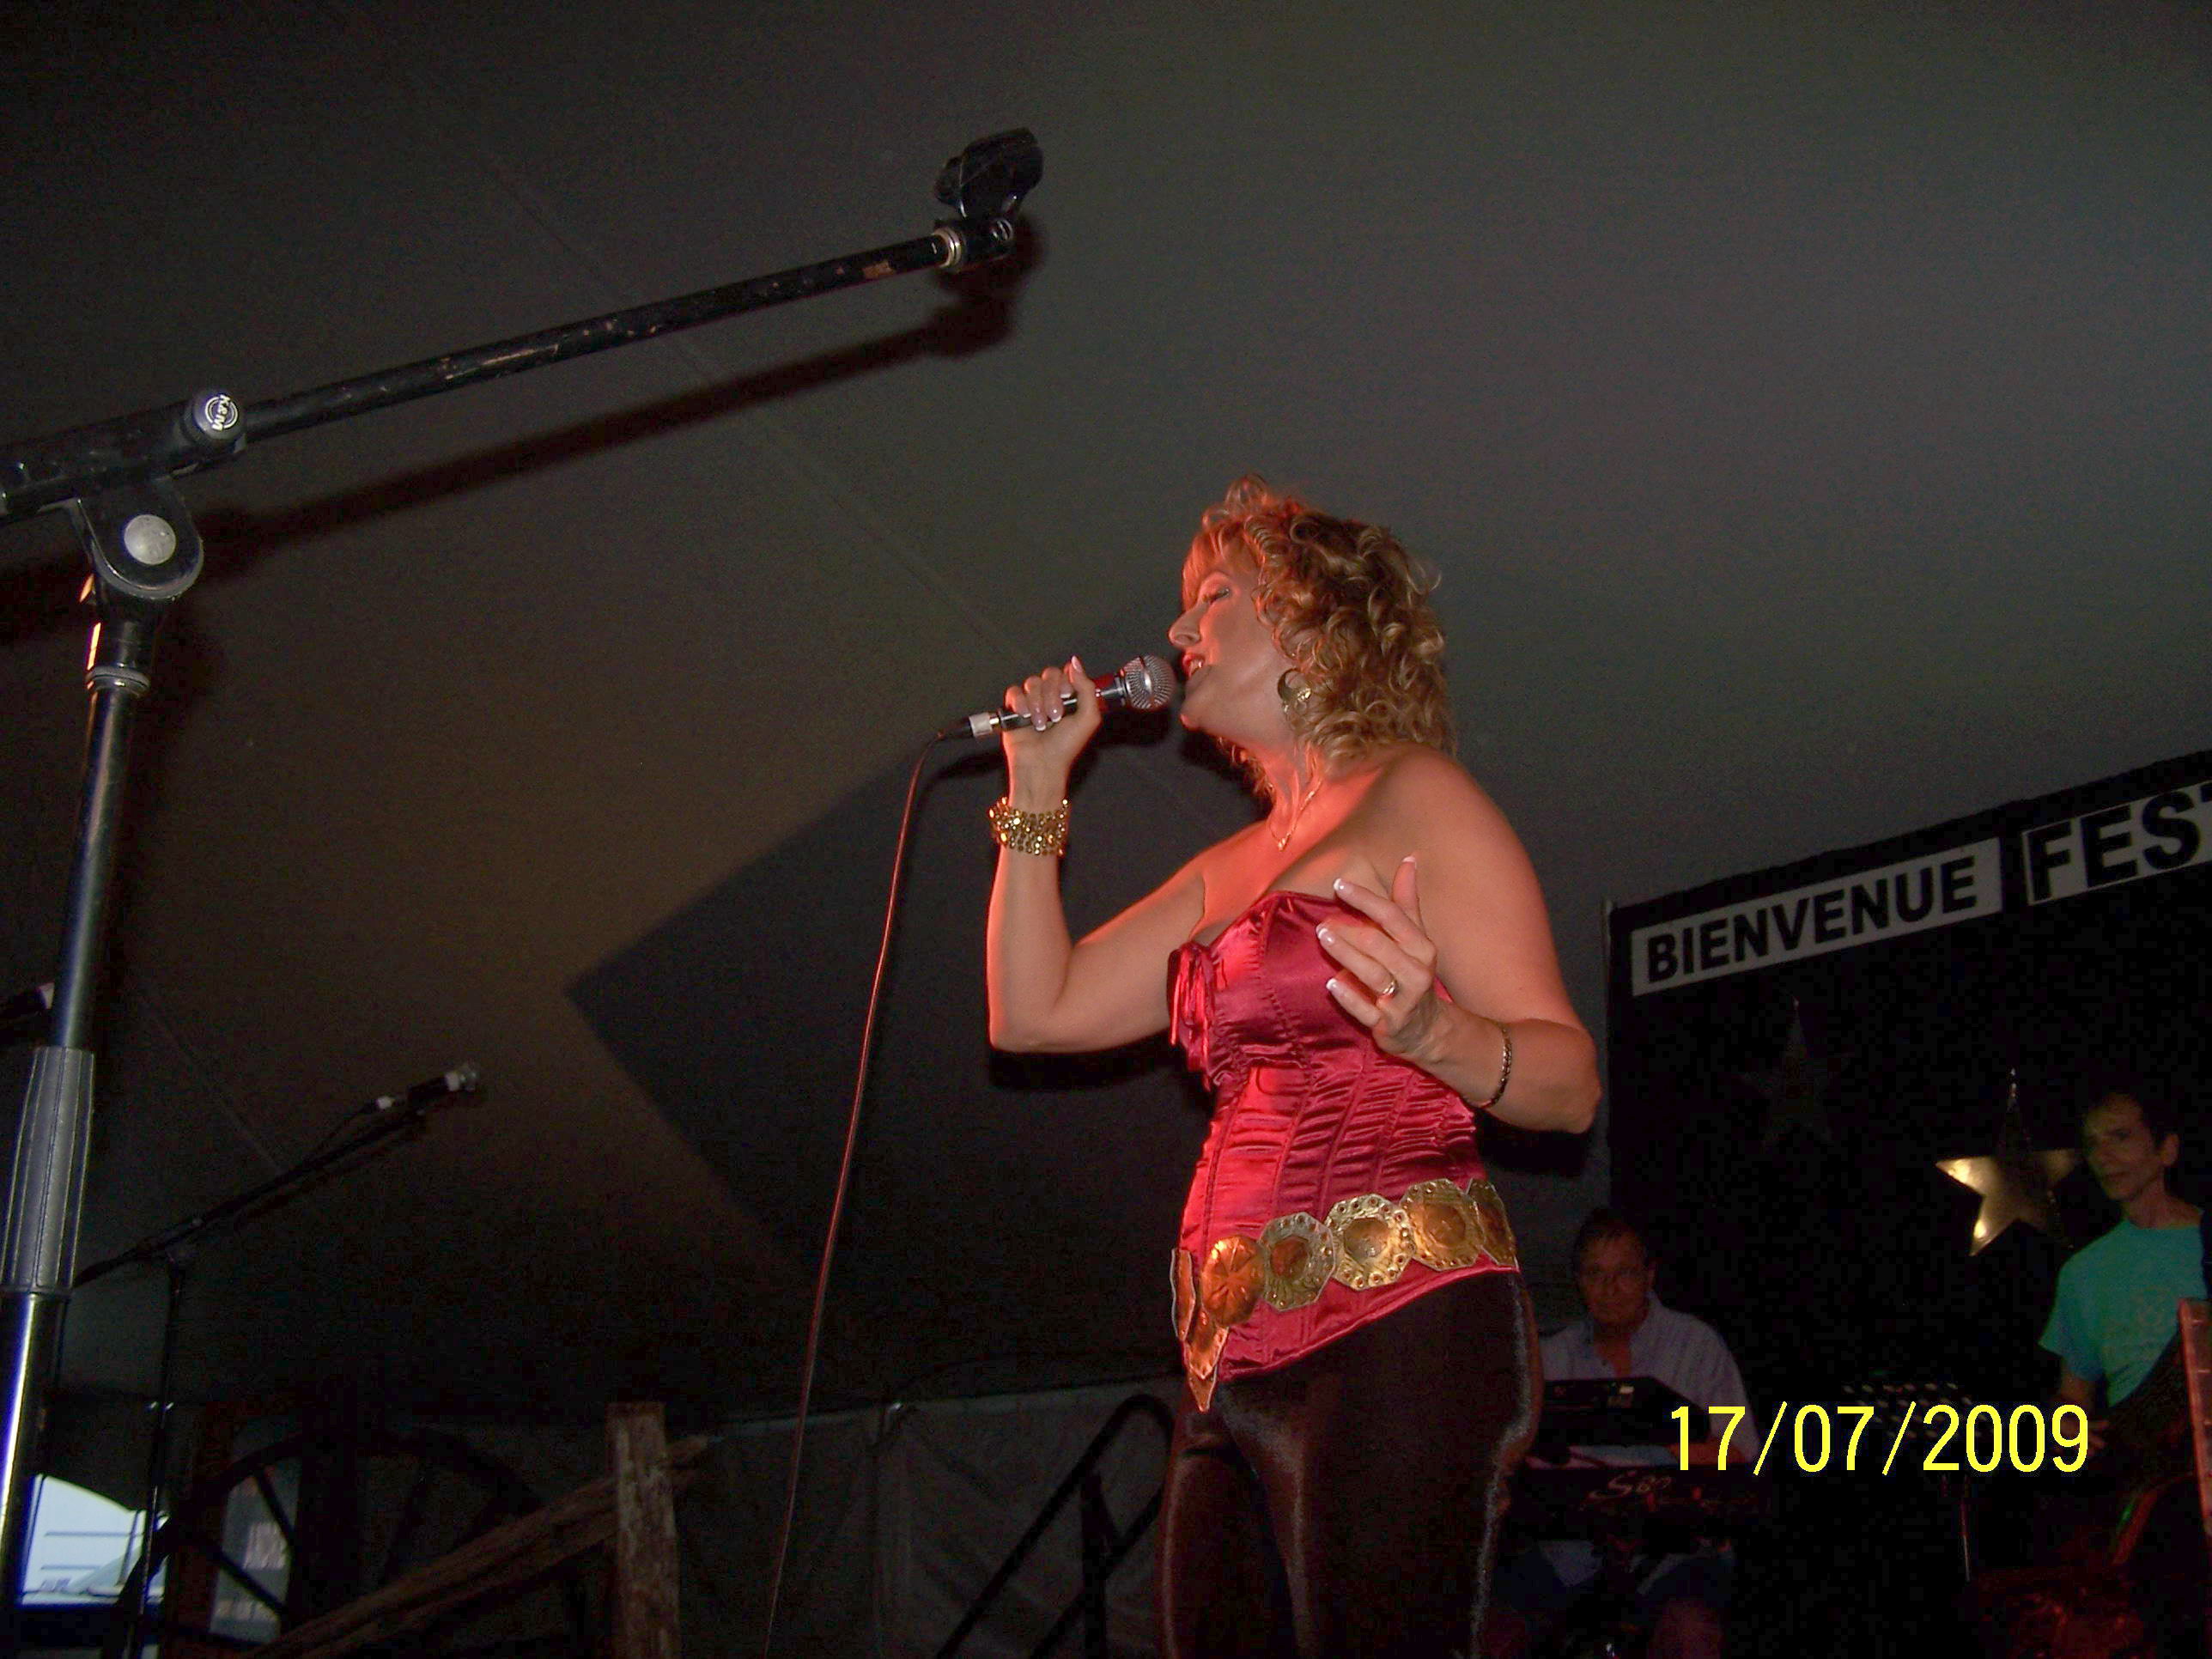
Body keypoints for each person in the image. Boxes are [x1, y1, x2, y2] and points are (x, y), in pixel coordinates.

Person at [986, 477, 1600, 1657]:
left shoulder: (1419, 797)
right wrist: (1037, 789)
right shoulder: (1229, 866)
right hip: (1228, 1353)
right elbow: (1032, 1012)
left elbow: (1570, 1086)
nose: (1177, 629)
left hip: (1397, 1321)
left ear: (1316, 620)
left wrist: (1434, 1036)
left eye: (1214, 596)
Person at [1489, 1210, 1748, 1659]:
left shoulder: (1697, 1345)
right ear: (1578, 1281)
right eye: (1595, 1274)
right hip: (1567, 1553)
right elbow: (1509, 1462)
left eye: (1624, 1273)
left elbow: (1739, 1460)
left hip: (1678, 1552)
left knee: (1690, 1633)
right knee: (1492, 1632)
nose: (1609, 1290)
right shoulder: (1549, 1356)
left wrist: (1657, 1429)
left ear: (1650, 1275)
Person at [2033, 1080, 2205, 1655]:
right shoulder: (2084, 1274)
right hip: (2149, 1505)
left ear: (2167, 1149)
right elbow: (2072, 1402)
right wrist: (2075, 1438)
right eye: (2093, 1144)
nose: (2104, 1155)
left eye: (2122, 1137)